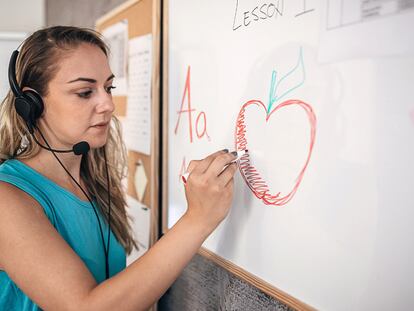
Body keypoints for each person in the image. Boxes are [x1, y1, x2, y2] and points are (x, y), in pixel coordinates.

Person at [0, 26, 237, 310]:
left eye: (108, 87)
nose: (108, 104)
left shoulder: (93, 181)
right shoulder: (7, 198)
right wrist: (198, 219)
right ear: (32, 104)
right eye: (85, 92)